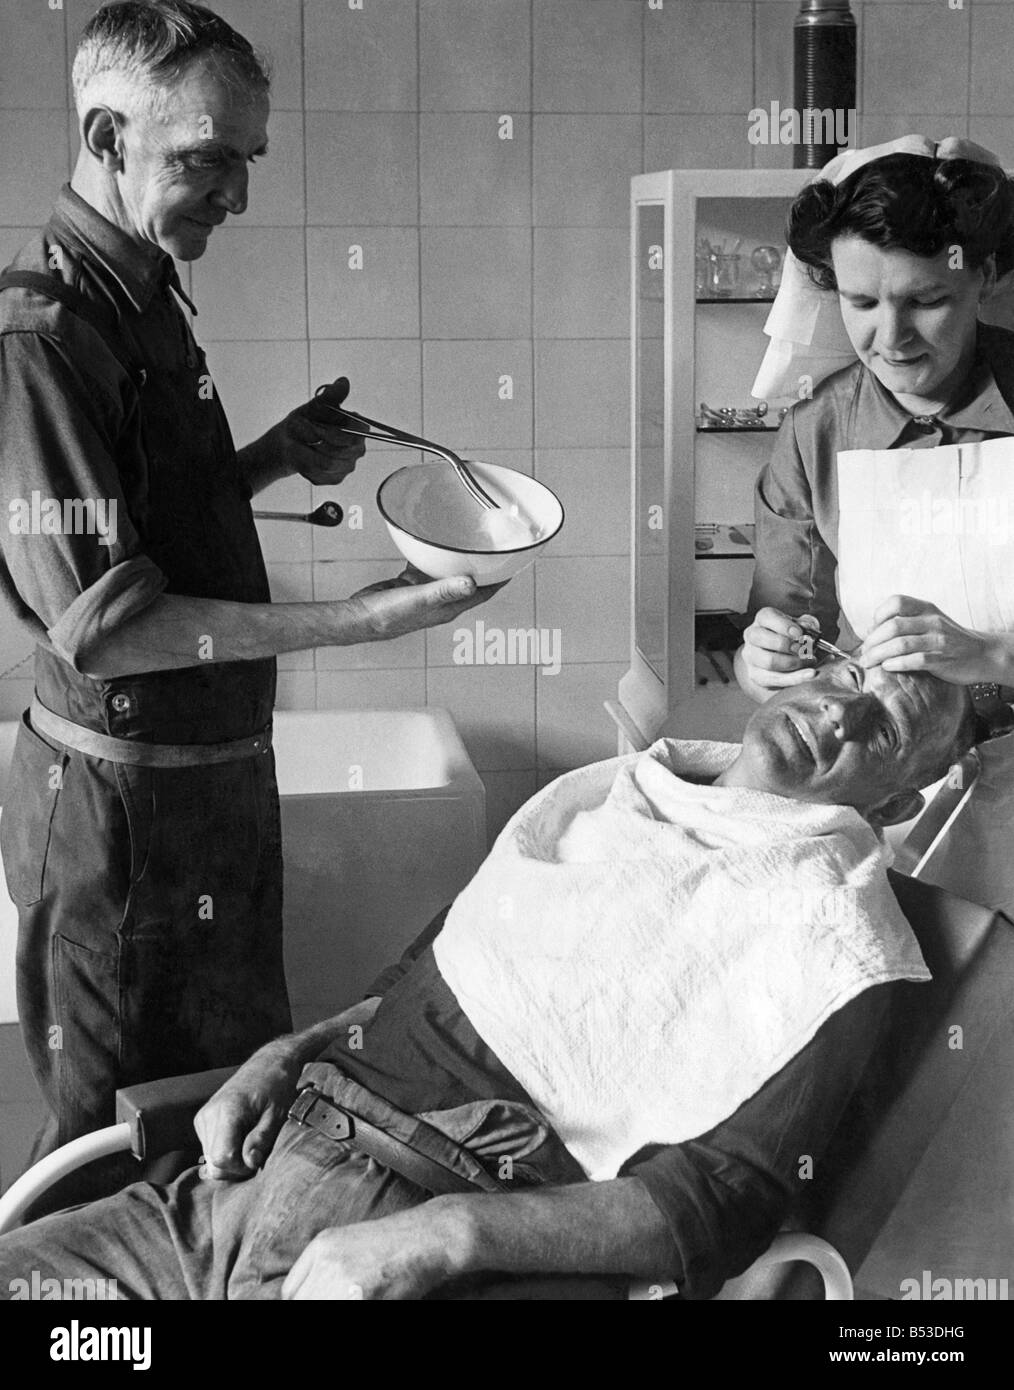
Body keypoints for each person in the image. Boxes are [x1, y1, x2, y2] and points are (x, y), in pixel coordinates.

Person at [0, 660, 978, 1300]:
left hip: (413, 1244)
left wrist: (440, 1239)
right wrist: (282, 1053)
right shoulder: (614, 794)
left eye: (882, 729)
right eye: (849, 674)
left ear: (893, 798)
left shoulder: (836, 939)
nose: (838, 711)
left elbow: (715, 1209)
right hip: (225, 1200)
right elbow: (431, 974)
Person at [0, 0, 498, 1209]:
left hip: (205, 787)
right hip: (123, 817)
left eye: (245, 162)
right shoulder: (41, 339)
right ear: (109, 136)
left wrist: (273, 453)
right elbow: (106, 624)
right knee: (117, 1139)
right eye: (206, 159)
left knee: (225, 1107)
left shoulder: (145, 298)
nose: (234, 194)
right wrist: (364, 620)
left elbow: (152, 525)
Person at [737, 137, 1014, 918]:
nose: (891, 340)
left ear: (982, 276)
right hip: (898, 806)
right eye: (862, 304)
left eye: (927, 299)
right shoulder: (816, 436)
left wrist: (996, 654)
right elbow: (785, 637)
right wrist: (765, 660)